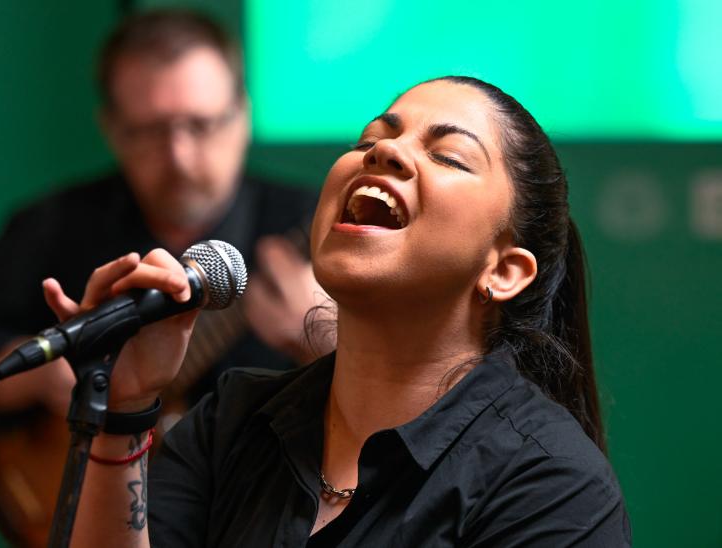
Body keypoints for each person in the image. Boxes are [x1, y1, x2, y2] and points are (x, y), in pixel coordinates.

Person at [48, 76, 632, 546]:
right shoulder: (231, 421)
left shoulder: (551, 485)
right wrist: (123, 409)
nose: (384, 150)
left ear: (503, 271)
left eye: (449, 156)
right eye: (370, 138)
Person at [0, 9, 324, 418]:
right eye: (150, 131)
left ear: (242, 116)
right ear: (112, 130)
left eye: (201, 125)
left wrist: (319, 343)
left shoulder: (317, 220)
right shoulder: (52, 225)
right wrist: (43, 377)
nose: (179, 158)